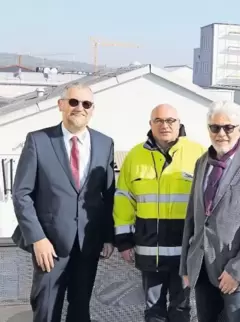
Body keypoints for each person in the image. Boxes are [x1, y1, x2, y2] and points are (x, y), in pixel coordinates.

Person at [11, 82, 116, 322]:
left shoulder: (104, 143)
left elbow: (108, 194)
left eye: (86, 104)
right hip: (49, 248)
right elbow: (22, 194)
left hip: (88, 246)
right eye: (74, 102)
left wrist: (108, 236)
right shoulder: (38, 140)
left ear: (92, 110)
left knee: (80, 312)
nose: (80, 108)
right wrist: (37, 238)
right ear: (61, 105)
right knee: (47, 312)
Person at [179, 101, 240, 322]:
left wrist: (237, 270)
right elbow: (192, 218)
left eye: (228, 127)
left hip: (237, 273)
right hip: (203, 267)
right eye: (215, 127)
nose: (221, 133)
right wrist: (187, 265)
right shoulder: (202, 162)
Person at [113, 104, 205, 322]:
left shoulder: (198, 153)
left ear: (179, 123)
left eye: (171, 120)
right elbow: (124, 199)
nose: (165, 125)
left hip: (185, 252)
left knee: (181, 309)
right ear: (151, 124)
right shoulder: (135, 155)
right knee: (153, 310)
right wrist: (124, 242)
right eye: (159, 121)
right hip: (149, 251)